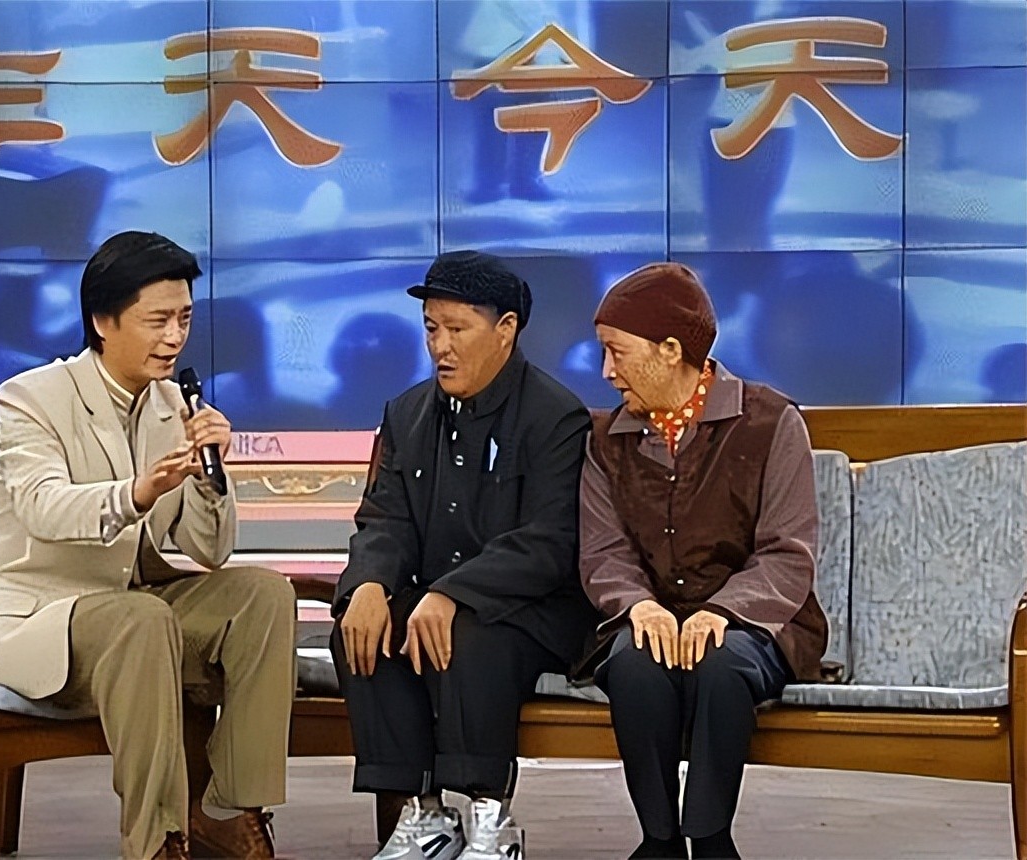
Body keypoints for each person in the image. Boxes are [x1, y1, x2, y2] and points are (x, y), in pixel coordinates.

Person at [0, 231, 296, 860]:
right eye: (157, 321)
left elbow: (209, 552)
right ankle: (157, 840)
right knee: (141, 616)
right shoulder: (30, 397)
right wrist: (136, 493)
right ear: (102, 320)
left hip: (137, 610)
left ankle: (227, 810)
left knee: (263, 595)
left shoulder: (173, 403)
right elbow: (43, 507)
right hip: (44, 618)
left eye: (185, 319)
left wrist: (210, 478)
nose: (174, 337)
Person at [333, 250, 597, 859]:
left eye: (457, 329)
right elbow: (385, 519)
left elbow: (549, 543)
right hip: (435, 602)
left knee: (465, 633)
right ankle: (423, 814)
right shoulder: (407, 413)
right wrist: (369, 584)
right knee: (364, 624)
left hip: (533, 611)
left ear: (506, 329)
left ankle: (489, 818)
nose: (440, 347)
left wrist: (452, 593)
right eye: (431, 328)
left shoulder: (556, 417)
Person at [578, 262, 828, 859]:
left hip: (756, 624)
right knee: (634, 664)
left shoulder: (771, 422)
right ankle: (659, 841)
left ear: (671, 350)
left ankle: (711, 839)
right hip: (650, 618)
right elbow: (604, 550)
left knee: (721, 664)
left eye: (617, 352)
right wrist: (638, 606)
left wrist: (724, 611)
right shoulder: (605, 440)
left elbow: (787, 551)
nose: (606, 371)